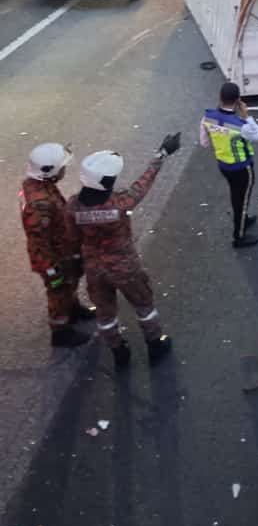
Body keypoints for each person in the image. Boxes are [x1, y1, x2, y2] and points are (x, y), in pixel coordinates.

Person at [66, 135, 181, 368]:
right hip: (125, 267)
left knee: (105, 313)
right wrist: (162, 153)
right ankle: (154, 345)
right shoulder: (121, 203)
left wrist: (76, 261)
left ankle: (118, 351)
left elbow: (72, 239)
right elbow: (144, 182)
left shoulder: (73, 206)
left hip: (94, 269)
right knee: (143, 305)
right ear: (107, 183)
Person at [20, 143, 95, 348]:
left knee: (69, 284)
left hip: (62, 250)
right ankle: (60, 331)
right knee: (58, 291)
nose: (64, 170)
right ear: (49, 172)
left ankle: (73, 309)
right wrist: (52, 270)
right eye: (61, 167)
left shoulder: (38, 186)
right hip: (52, 258)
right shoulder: (39, 204)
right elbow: (38, 241)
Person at [200, 82, 258, 248]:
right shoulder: (241, 125)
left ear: (219, 97)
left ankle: (243, 218)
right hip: (243, 168)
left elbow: (204, 143)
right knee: (242, 198)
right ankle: (239, 236)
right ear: (238, 101)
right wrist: (247, 116)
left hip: (224, 165)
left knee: (236, 194)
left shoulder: (207, 117)